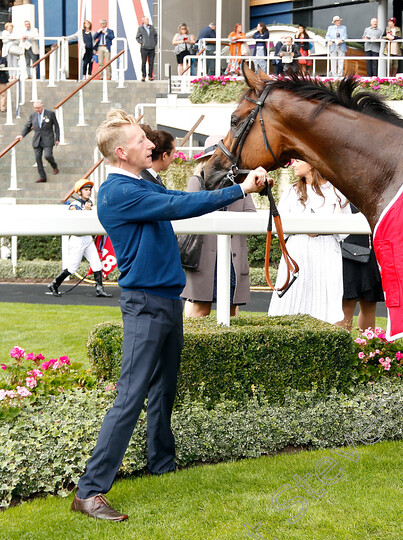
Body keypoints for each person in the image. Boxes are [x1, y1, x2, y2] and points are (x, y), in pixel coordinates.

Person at [70, 109, 267, 522]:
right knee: (130, 397)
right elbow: (184, 207)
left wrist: (236, 182)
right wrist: (241, 189)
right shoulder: (118, 191)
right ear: (122, 152)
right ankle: (89, 491)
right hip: (144, 303)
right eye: (141, 140)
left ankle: (162, 461)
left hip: (164, 299)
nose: (150, 144)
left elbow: (179, 199)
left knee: (163, 388)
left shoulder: (142, 180)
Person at [268, 159, 350, 323]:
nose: (293, 164)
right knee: (291, 304)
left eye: (297, 160)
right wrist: (304, 228)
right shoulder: (292, 191)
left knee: (326, 304)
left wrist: (324, 228)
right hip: (297, 250)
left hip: (326, 251)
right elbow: (278, 225)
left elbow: (345, 229)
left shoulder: (336, 191)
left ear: (311, 164)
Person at [182, 141, 256, 318]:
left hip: (232, 257)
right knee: (200, 310)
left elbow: (251, 216)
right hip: (204, 258)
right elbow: (190, 215)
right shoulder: (197, 181)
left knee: (231, 311)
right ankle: (195, 345)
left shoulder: (239, 184)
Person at [47, 179, 112, 298]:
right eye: (86, 190)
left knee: (97, 264)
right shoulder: (74, 205)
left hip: (87, 238)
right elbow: (75, 222)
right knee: (72, 267)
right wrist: (85, 212)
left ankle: (99, 289)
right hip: (77, 240)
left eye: (89, 190)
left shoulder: (89, 203)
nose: (88, 192)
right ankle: (54, 284)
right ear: (79, 192)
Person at [340, 203, 384, 333]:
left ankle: (365, 348)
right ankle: (342, 350)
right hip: (346, 253)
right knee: (347, 305)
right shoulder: (339, 193)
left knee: (370, 302)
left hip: (369, 253)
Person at [15, 100, 59, 183]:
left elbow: (56, 126)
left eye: (38, 108)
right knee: (38, 159)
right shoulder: (33, 116)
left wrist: (57, 138)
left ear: (42, 106)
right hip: (37, 140)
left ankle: (54, 166)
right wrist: (22, 135)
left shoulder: (50, 114)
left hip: (48, 139)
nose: (36, 109)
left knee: (48, 155)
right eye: (35, 108)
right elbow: (27, 126)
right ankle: (43, 177)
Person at [135, 16, 157, 81]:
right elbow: (137, 37)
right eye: (146, 19)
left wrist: (154, 43)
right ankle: (143, 76)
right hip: (144, 48)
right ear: (143, 20)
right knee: (144, 62)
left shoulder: (152, 28)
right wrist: (142, 42)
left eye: (148, 19)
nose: (148, 20)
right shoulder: (140, 28)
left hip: (152, 48)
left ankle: (150, 75)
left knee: (151, 62)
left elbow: (155, 36)